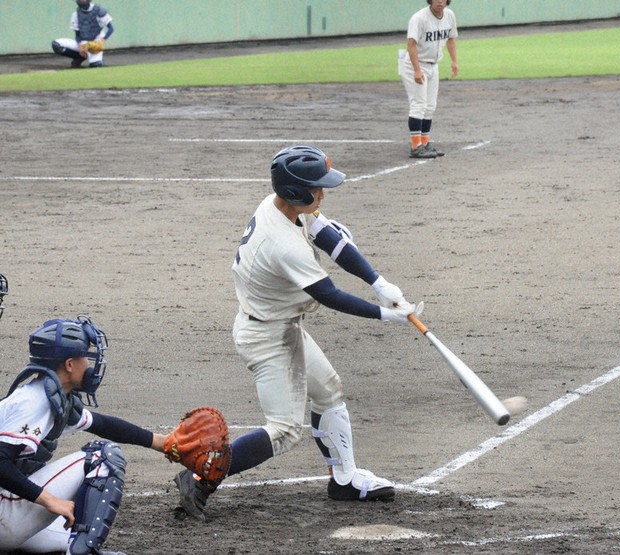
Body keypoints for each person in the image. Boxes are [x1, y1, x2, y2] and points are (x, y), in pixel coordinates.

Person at [173, 145, 421, 521]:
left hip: (280, 325)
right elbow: (328, 294)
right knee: (285, 431)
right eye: (316, 187)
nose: (322, 193)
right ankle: (198, 477)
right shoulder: (283, 244)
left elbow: (328, 236)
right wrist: (385, 315)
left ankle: (344, 479)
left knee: (328, 391)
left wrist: (378, 282)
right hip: (267, 337)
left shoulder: (282, 208)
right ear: (294, 192)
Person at [0, 315, 168, 555]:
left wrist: (161, 442)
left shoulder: (50, 396)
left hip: (6, 515)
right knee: (103, 456)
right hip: (4, 516)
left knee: (67, 536)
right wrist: (48, 499)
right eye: (85, 357)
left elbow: (102, 424)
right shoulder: (34, 402)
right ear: (69, 364)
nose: (90, 365)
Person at [399, 0, 459, 159]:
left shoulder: (449, 16)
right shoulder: (419, 18)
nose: (440, 1)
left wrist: (454, 61)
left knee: (430, 105)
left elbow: (451, 39)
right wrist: (417, 70)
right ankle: (415, 146)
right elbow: (411, 45)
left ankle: (425, 143)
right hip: (414, 65)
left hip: (434, 66)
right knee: (419, 103)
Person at [51, 0, 114, 68]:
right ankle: (78, 57)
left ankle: (98, 60)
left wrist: (102, 40)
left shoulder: (99, 10)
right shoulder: (75, 14)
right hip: (83, 44)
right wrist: (80, 46)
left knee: (96, 66)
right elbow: (77, 34)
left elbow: (111, 29)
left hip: (95, 43)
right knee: (56, 45)